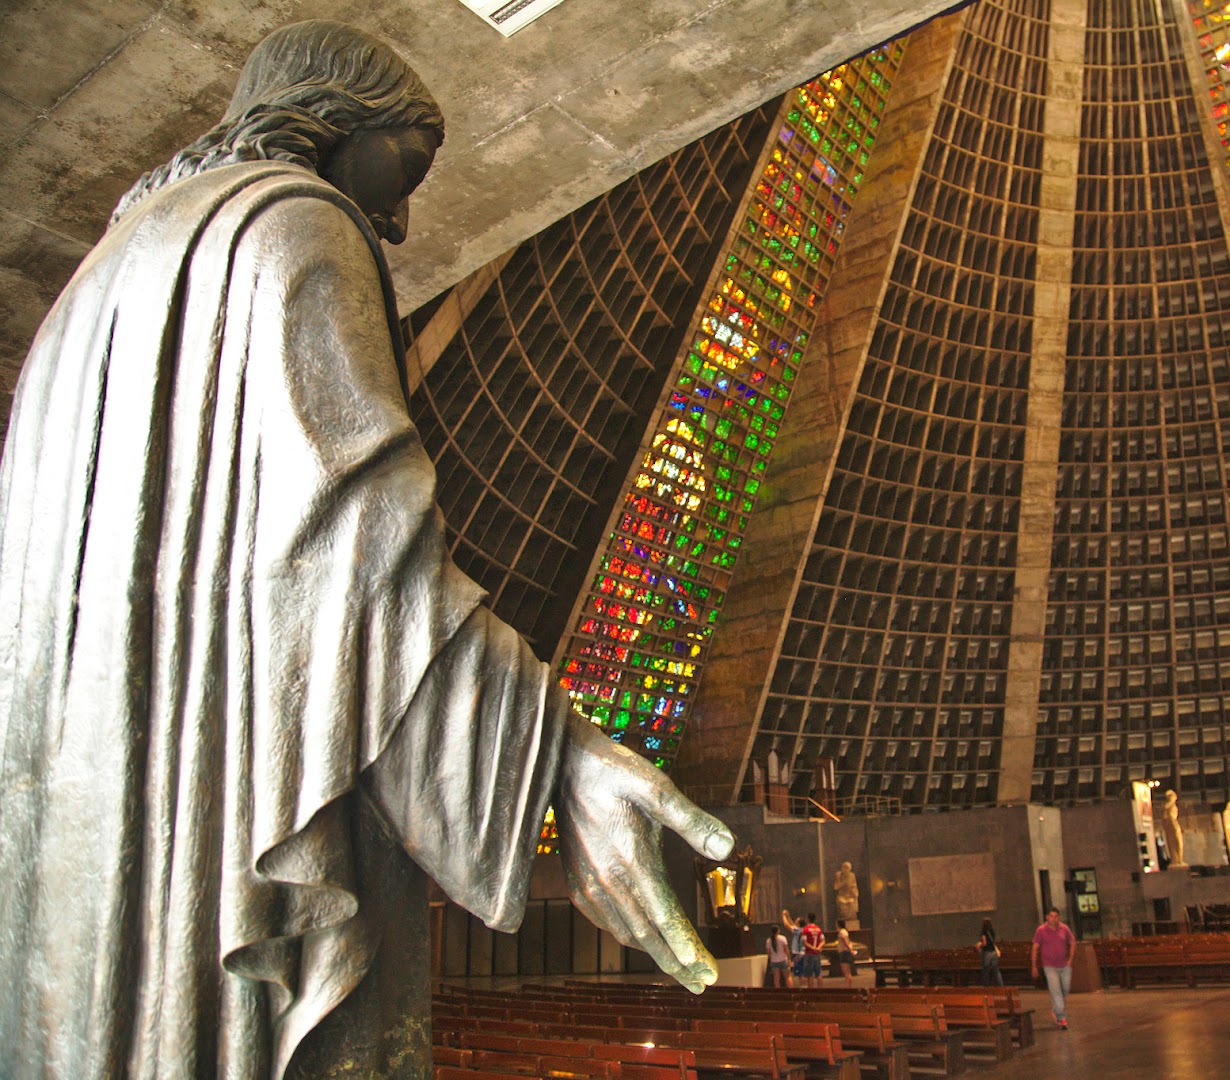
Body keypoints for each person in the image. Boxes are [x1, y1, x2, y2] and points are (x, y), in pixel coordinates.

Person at [0, 22, 733, 1078]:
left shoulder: (89, 289)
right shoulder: (291, 225)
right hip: (207, 819)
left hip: (82, 841)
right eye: (405, 165)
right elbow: (354, 552)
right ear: (329, 116)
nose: (392, 218)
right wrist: (564, 761)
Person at [1031, 907, 1077, 1030]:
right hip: (1049, 966)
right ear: (1047, 917)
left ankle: (1056, 1009)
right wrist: (1034, 966)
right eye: (1051, 916)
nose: (1054, 919)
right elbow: (1035, 948)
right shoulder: (1041, 930)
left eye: (1056, 916)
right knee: (1056, 990)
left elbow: (1072, 942)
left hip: (1064, 965)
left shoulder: (1064, 928)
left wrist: (1070, 959)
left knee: (1065, 989)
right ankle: (1061, 1018)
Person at [801, 912, 826, 987]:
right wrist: (818, 948)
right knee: (818, 974)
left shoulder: (806, 930)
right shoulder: (818, 929)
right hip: (817, 954)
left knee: (809, 975)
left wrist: (813, 948)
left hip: (809, 953)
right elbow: (823, 941)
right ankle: (820, 991)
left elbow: (804, 942)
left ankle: (811, 992)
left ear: (808, 919)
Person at [783, 910, 806, 986]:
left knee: (800, 973)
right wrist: (788, 916)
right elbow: (792, 924)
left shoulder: (797, 930)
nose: (795, 922)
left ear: (799, 923)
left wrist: (783, 916)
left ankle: (802, 987)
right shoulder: (803, 930)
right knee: (803, 971)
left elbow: (787, 925)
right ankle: (804, 986)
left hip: (798, 954)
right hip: (803, 953)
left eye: (796, 921)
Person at [978, 918, 1004, 986]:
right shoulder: (992, 932)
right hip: (994, 952)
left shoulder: (983, 932)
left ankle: (986, 987)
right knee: (996, 970)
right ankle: (1001, 986)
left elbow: (984, 943)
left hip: (987, 952)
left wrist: (979, 945)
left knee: (985, 970)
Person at [835, 919, 858, 988]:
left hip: (844, 953)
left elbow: (845, 942)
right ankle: (848, 986)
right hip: (845, 952)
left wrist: (850, 950)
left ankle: (848, 987)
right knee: (847, 971)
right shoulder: (845, 931)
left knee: (846, 972)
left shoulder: (842, 932)